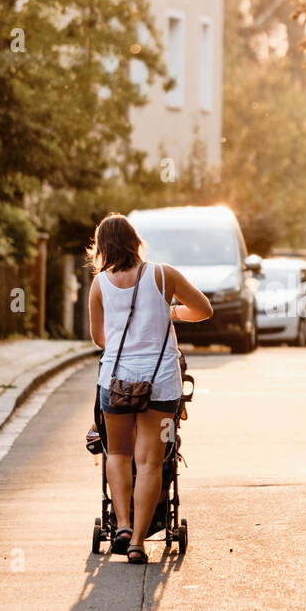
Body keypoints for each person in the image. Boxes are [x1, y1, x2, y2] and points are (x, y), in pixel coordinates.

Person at [87, 213, 212, 563]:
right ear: (135, 241)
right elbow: (203, 309)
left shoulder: (99, 284)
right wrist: (170, 313)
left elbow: (100, 339)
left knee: (118, 456)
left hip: (116, 382)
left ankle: (122, 525)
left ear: (101, 247)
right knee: (150, 462)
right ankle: (139, 542)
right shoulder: (163, 274)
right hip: (160, 384)